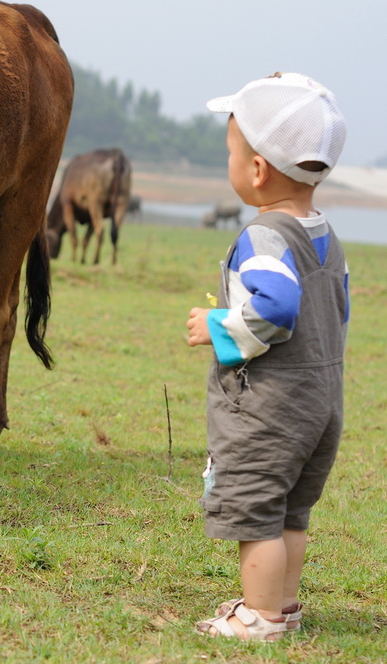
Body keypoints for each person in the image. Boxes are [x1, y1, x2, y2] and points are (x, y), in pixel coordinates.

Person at [185, 72, 349, 641]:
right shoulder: (324, 232)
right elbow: (334, 313)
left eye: (231, 151)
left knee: (256, 512)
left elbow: (277, 310)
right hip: (321, 403)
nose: (228, 162)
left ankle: (259, 618)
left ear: (256, 170)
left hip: (271, 407)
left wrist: (218, 326)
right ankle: (284, 605)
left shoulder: (265, 237)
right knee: (291, 513)